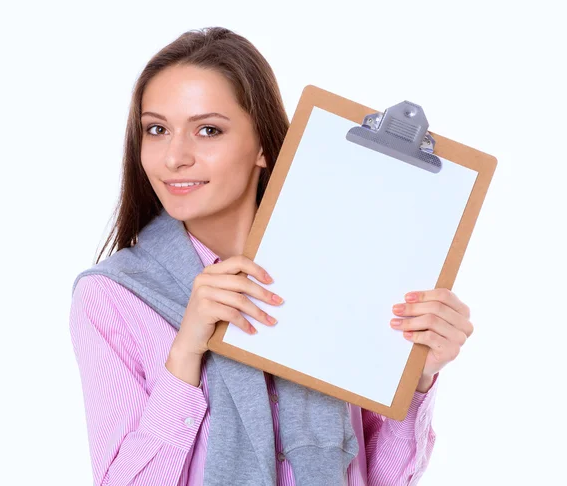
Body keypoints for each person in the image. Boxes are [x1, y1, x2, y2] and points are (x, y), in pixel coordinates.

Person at [69, 26, 474, 486]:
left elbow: (376, 476)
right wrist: (185, 354)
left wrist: (418, 379)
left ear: (262, 145)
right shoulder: (112, 296)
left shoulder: (341, 268)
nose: (174, 157)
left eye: (207, 130)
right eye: (157, 129)